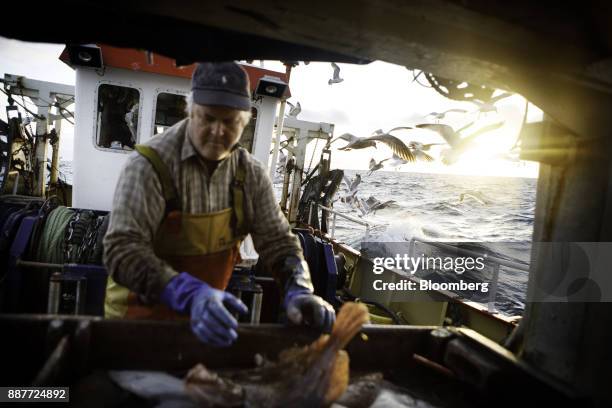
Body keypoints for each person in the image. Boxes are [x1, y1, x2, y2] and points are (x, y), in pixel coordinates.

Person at [103, 62, 335, 347]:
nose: (217, 131)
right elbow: (122, 249)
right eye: (208, 118)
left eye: (229, 122)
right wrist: (189, 293)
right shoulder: (148, 165)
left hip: (207, 327)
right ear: (190, 111)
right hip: (136, 326)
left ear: (244, 122)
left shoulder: (250, 175)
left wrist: (300, 288)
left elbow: (279, 243)